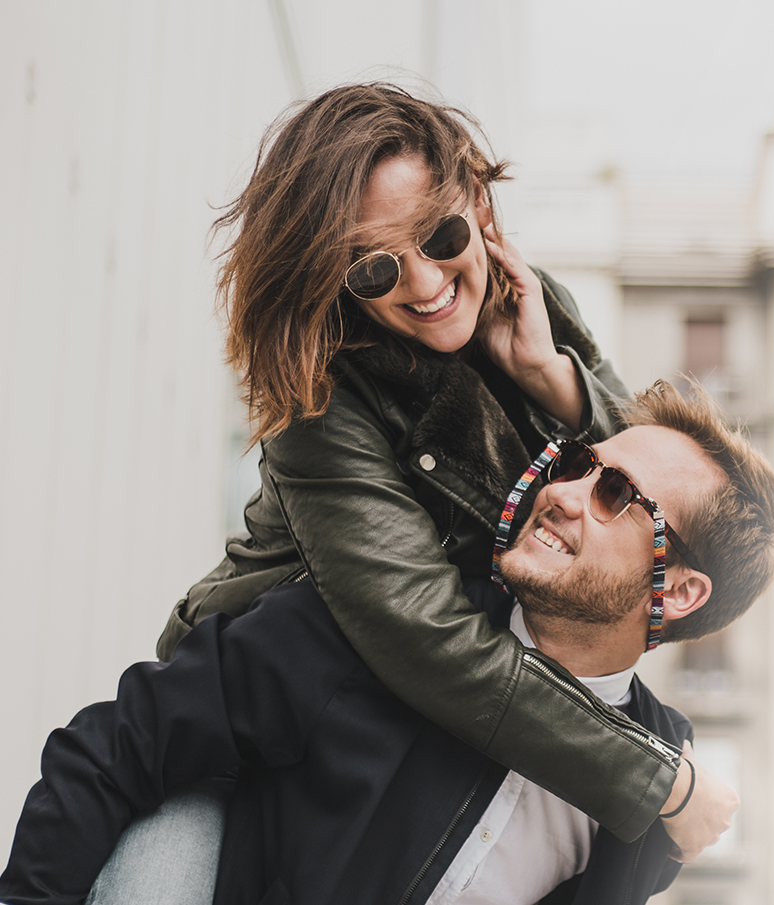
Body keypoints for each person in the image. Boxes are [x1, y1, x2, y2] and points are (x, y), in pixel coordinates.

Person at [63, 81, 728, 896]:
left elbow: (657, 486)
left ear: (477, 203)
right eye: (375, 268)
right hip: (238, 728)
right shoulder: (324, 393)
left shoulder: (531, 302)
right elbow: (424, 634)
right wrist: (662, 780)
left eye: (440, 234)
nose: (422, 282)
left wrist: (559, 383)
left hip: (395, 734)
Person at [0, 384, 774, 904]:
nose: (562, 495)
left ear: (681, 590)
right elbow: (113, 748)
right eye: (582, 466)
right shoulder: (381, 621)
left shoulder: (656, 791)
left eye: (616, 493)